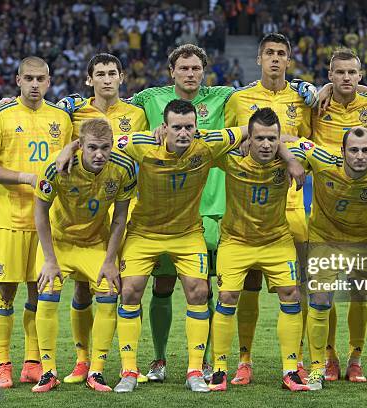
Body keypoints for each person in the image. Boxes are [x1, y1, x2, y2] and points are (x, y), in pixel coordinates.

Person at [125, 44, 317, 382]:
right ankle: (158, 358)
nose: (190, 74)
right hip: (173, 208)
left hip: (220, 206)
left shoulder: (225, 96)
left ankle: (214, 362)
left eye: (196, 68)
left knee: (213, 289)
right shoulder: (149, 97)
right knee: (165, 284)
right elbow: (111, 107)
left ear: (204, 71)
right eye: (183, 68)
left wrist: (308, 87)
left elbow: (257, 125)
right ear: (172, 71)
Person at [0, 56, 73, 388]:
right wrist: (27, 178)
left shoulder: (61, 118)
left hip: (47, 222)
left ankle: (33, 362)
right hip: (7, 220)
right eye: (28, 78)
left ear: (49, 81)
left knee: (38, 290)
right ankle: (3, 364)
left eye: (40, 79)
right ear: (17, 80)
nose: (34, 84)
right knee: (5, 292)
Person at [224, 32, 314, 384]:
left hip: (291, 206)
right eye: (269, 53)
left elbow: (313, 142)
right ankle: (244, 358)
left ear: (288, 61)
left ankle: (298, 359)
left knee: (298, 287)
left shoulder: (304, 99)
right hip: (249, 206)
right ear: (258, 59)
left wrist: (286, 144)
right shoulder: (239, 99)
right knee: (248, 284)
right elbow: (229, 141)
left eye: (281, 54)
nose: (275, 59)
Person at [289, 127, 367, 393]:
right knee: (319, 298)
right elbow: (289, 141)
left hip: (364, 242)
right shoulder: (321, 159)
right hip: (325, 240)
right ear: (342, 152)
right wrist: (289, 159)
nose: (360, 156)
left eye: (366, 150)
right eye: (353, 150)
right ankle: (318, 367)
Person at [54, 52, 148, 384]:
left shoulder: (138, 114)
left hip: (124, 207)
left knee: (125, 287)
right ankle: (83, 361)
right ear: (89, 79)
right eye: (100, 73)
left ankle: (126, 363)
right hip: (85, 213)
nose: (107, 79)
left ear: (122, 77)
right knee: (82, 288)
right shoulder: (73, 110)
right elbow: (47, 118)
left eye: (112, 73)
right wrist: (69, 147)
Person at [311, 48, 367, 383]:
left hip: (364, 211)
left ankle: (356, 357)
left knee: (358, 290)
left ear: (360, 76)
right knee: (323, 292)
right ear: (330, 74)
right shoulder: (316, 106)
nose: (346, 78)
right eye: (339, 73)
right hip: (325, 210)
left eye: (353, 73)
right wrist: (320, 90)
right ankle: (328, 356)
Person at [31, 118, 135, 393]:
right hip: (60, 243)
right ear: (80, 147)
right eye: (92, 148)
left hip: (94, 244)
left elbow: (120, 218)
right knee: (48, 290)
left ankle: (97, 371)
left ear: (112, 145)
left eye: (105, 147)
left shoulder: (124, 168)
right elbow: (40, 212)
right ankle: (48, 370)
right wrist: (50, 260)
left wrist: (110, 260)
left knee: (109, 292)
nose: (99, 154)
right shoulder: (58, 167)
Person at [209, 107, 308, 392]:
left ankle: (291, 368)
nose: (266, 144)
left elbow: (317, 148)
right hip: (236, 240)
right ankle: (220, 368)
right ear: (248, 139)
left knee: (292, 294)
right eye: (259, 138)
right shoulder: (231, 159)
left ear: (279, 139)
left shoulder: (291, 157)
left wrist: (288, 155)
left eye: (272, 138)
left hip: (276, 240)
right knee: (227, 296)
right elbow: (204, 142)